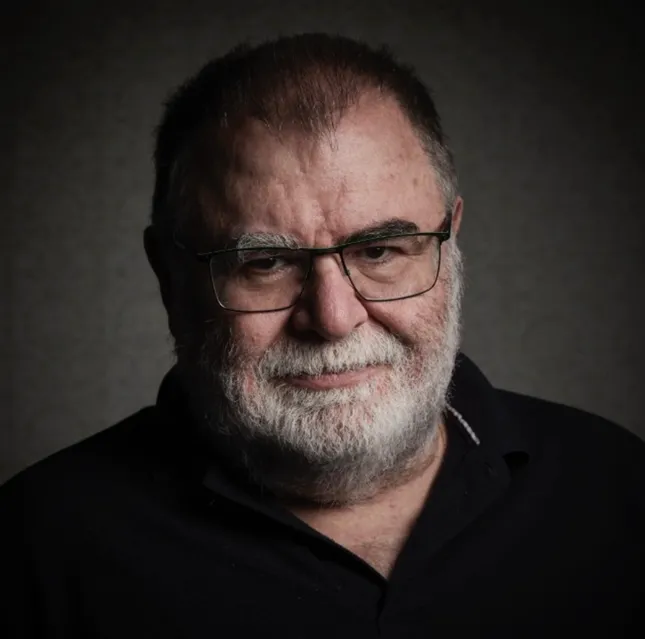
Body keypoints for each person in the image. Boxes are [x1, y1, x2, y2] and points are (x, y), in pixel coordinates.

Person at [1, 33, 643, 638]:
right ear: (169, 275)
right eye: (265, 264)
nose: (333, 319)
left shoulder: (616, 490)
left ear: (449, 243)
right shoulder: (36, 549)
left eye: (380, 251)